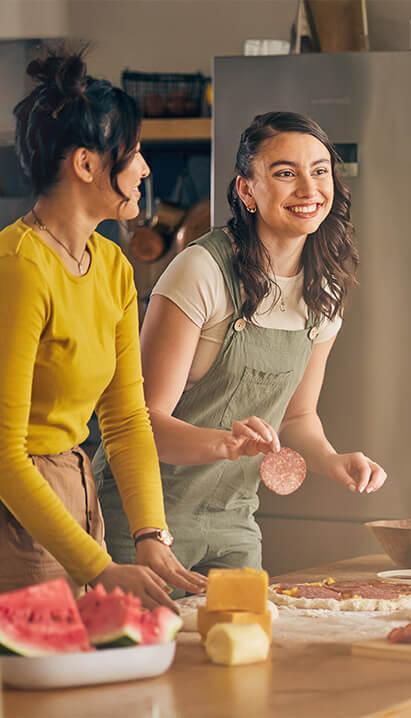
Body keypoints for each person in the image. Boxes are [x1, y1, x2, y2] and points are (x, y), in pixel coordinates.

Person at [94, 111, 388, 575]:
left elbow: (298, 415)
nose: (309, 190)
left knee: (245, 646)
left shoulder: (325, 289)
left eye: (319, 171)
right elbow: (142, 424)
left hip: (234, 523)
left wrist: (331, 460)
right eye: (285, 174)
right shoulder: (202, 271)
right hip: (142, 521)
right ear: (246, 190)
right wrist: (224, 445)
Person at [0, 48, 206, 608]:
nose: (143, 169)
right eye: (133, 153)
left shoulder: (111, 264)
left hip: (78, 495)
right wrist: (100, 566)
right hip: (17, 516)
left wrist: (149, 535)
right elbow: (4, 455)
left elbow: (126, 417)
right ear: (87, 165)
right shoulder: (19, 266)